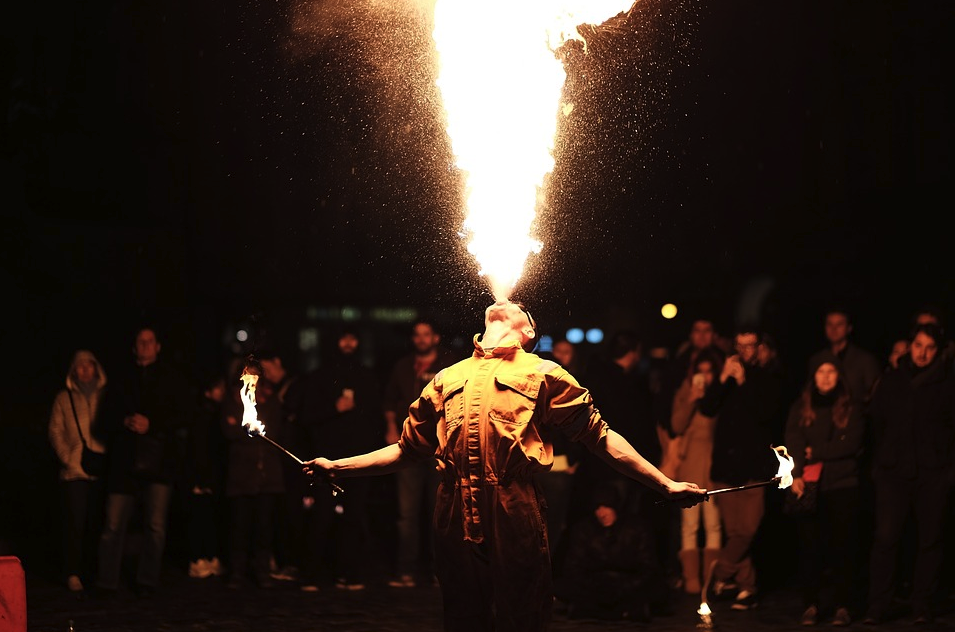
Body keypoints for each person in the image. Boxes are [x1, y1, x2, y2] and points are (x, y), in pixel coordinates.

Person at [304, 300, 706, 632]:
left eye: (522, 308)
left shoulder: (543, 372)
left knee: (522, 616)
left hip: (514, 507)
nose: (507, 301)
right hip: (453, 511)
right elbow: (407, 450)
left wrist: (665, 484)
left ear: (528, 332)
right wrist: (339, 467)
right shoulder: (447, 377)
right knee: (462, 618)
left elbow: (601, 438)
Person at [863, 323, 955, 625]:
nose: (923, 352)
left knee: (930, 539)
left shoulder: (946, 383)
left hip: (933, 472)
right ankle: (879, 604)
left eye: (929, 347)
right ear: (910, 345)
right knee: (886, 538)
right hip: (893, 471)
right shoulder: (892, 380)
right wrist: (880, 464)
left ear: (938, 350)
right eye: (918, 345)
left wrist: (947, 470)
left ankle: (921, 604)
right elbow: (876, 422)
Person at [96, 326, 190, 598]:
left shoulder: (172, 379)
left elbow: (184, 415)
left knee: (156, 525)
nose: (145, 346)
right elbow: (103, 421)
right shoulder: (121, 379)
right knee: (113, 524)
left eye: (150, 341)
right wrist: (124, 422)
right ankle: (106, 581)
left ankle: (147, 580)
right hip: (124, 463)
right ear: (134, 346)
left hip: (159, 461)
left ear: (158, 346)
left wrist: (153, 424)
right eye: (141, 341)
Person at [698, 326, 783, 611]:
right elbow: (707, 408)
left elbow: (765, 412)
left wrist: (744, 381)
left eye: (751, 345)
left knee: (747, 530)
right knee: (734, 531)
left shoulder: (767, 377)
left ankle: (717, 576)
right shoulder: (728, 378)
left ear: (759, 347)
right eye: (741, 345)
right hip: (726, 465)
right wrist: (722, 379)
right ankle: (748, 587)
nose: (746, 350)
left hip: (754, 467)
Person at [299, 327, 384, 591]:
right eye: (343, 337)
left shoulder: (367, 376)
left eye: (353, 337)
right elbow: (306, 416)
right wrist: (334, 409)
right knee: (321, 515)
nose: (348, 342)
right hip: (327, 457)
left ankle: (347, 573)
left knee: (353, 515)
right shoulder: (319, 377)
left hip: (357, 458)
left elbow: (375, 417)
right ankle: (313, 574)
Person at [783, 352, 865, 627]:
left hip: (843, 484)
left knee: (844, 547)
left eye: (831, 371)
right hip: (810, 483)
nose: (826, 377)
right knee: (811, 548)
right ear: (813, 376)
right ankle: (811, 604)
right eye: (821, 372)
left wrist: (815, 451)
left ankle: (844, 604)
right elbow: (793, 440)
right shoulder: (801, 406)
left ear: (839, 376)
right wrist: (795, 473)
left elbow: (851, 443)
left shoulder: (851, 406)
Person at [381, 318, 460, 588]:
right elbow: (390, 401)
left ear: (436, 338)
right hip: (411, 446)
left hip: (440, 449)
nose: (421, 339)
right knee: (407, 513)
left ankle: (441, 572)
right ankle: (407, 570)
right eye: (417, 335)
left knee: (441, 512)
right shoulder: (403, 366)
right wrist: (391, 428)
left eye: (426, 334)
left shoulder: (450, 366)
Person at [553, 483, 664, 622]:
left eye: (606, 507)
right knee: (561, 587)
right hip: (594, 585)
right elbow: (573, 566)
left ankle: (595, 610)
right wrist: (598, 586)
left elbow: (648, 566)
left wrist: (623, 586)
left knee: (657, 588)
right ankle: (622, 611)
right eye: (597, 508)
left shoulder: (637, 528)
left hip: (628, 585)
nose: (601, 513)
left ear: (616, 507)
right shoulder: (583, 529)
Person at [221, 361, 286, 590]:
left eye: (255, 375)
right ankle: (237, 572)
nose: (251, 379)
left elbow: (276, 430)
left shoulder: (271, 400)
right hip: (240, 475)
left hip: (267, 476)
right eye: (247, 374)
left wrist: (255, 430)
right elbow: (227, 429)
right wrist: (245, 430)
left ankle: (262, 571)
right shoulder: (233, 399)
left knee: (264, 527)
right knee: (239, 526)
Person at [48, 350, 108, 593]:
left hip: (101, 469)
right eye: (79, 366)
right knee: (75, 523)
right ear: (73, 370)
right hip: (74, 471)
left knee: (98, 523)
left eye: (89, 365)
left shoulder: (106, 396)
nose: (85, 370)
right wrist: (67, 458)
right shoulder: (64, 398)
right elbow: (55, 430)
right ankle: (72, 572)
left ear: (96, 368)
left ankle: (93, 571)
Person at [669, 347, 723, 596]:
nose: (705, 377)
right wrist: (691, 399)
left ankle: (711, 578)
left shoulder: (720, 394)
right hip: (690, 463)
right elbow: (676, 425)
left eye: (709, 372)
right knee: (689, 524)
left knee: (713, 525)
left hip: (714, 463)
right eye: (700, 372)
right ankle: (691, 577)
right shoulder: (685, 391)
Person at [256, 347, 307, 583]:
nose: (266, 374)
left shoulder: (295, 386)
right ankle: (284, 559)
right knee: (281, 512)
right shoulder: (277, 389)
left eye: (267, 368)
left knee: (291, 511)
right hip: (277, 461)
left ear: (277, 360)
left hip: (293, 459)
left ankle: (294, 563)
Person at [183, 372, 228, 580]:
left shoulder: (216, 413)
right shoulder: (202, 414)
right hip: (202, 475)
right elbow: (199, 449)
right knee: (199, 516)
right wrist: (201, 477)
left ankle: (209, 556)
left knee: (210, 516)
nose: (222, 392)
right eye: (218, 388)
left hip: (211, 475)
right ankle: (197, 558)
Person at [807, 307, 882, 408]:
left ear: (849, 328)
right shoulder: (816, 360)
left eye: (839, 324)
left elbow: (875, 395)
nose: (834, 329)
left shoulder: (865, 360)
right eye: (830, 324)